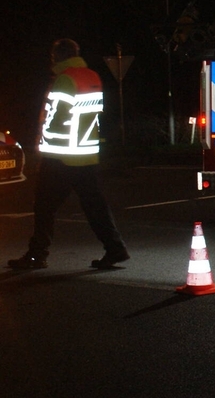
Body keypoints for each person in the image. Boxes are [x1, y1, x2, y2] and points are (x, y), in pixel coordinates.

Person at [7, 39, 130, 270]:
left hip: (61, 157)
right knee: (96, 206)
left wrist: (41, 145)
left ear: (56, 57)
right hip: (86, 154)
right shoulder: (92, 76)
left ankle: (37, 255)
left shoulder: (64, 79)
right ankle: (115, 248)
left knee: (44, 206)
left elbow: (56, 118)